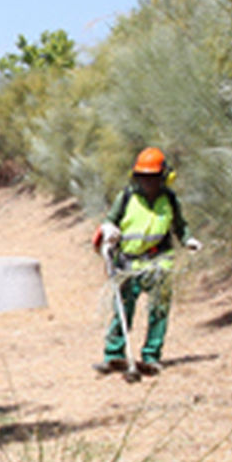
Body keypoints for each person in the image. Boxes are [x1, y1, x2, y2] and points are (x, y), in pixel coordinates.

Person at [92, 147, 202, 376]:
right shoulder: (127, 197)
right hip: (128, 263)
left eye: (152, 177)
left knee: (159, 310)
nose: (147, 182)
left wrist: (188, 240)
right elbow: (110, 221)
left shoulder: (169, 199)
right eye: (143, 177)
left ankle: (151, 357)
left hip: (159, 262)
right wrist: (109, 232)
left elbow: (179, 226)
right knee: (122, 308)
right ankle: (114, 355)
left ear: (163, 177)